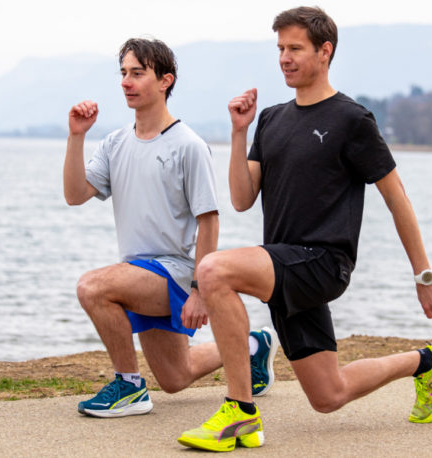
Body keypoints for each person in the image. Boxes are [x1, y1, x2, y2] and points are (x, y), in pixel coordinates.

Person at [178, 7, 432, 452]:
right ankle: (429, 362)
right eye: (280, 49)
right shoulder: (270, 118)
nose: (285, 58)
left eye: (295, 48)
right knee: (330, 395)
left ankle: (241, 413)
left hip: (324, 262)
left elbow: (396, 196)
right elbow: (242, 197)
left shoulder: (352, 120)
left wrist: (423, 276)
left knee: (212, 270)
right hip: (285, 263)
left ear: (325, 52)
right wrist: (238, 132)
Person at [63, 38, 278, 418]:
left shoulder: (188, 145)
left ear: (165, 81)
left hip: (175, 273)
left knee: (92, 286)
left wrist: (199, 290)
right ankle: (253, 346)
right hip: (139, 273)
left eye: (138, 73)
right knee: (176, 377)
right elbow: (76, 194)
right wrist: (76, 136)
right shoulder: (115, 142)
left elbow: (208, 222)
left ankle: (128, 387)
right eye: (124, 74)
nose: (127, 82)